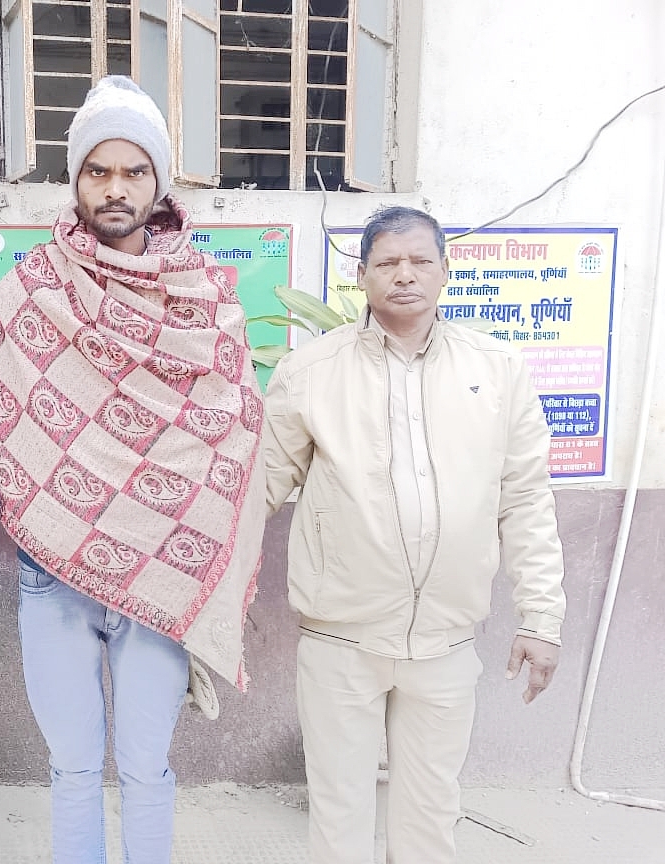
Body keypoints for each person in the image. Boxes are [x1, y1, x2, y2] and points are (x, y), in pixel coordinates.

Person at [0, 76, 267, 864]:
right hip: (54, 572)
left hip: (162, 577)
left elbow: (234, 431)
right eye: (97, 170)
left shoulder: (204, 300)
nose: (115, 188)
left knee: (145, 767)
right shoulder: (31, 292)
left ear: (158, 183)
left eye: (134, 171)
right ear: (75, 180)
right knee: (72, 767)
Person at [262, 206, 566, 864]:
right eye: (388, 262)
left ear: (445, 270)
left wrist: (542, 618)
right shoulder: (310, 372)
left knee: (431, 819)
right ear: (362, 275)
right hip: (342, 640)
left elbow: (525, 499)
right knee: (339, 818)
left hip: (444, 643)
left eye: (420, 261)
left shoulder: (497, 369)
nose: (405, 275)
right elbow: (254, 492)